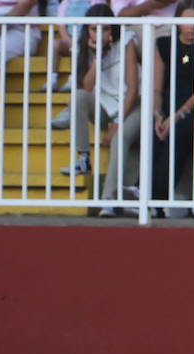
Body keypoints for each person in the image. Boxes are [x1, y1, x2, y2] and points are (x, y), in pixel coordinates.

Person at [60, 3, 141, 216]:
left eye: (105, 29)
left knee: (119, 138)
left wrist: (116, 125)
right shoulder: (82, 47)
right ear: (87, 30)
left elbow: (132, 89)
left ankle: (109, 199)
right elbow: (85, 88)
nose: (100, 34)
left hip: (133, 106)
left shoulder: (126, 40)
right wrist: (97, 57)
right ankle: (83, 158)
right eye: (94, 29)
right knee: (77, 96)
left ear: (112, 29)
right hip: (105, 106)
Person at [150, 0, 194, 211]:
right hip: (170, 102)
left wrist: (177, 116)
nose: (191, 27)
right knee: (155, 132)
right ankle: (143, 191)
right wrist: (158, 115)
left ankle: (156, 199)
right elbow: (156, 88)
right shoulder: (163, 44)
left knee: (177, 132)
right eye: (186, 21)